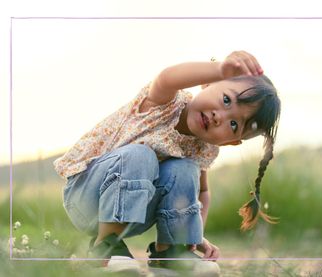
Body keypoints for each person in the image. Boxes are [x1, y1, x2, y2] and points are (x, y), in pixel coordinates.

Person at [54, 50, 281, 274]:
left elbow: (202, 193)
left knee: (184, 169)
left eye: (233, 125)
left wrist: (193, 233)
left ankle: (171, 252)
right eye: (225, 99)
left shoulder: (203, 149)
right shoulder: (166, 103)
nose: (219, 116)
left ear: (231, 142)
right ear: (207, 84)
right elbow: (166, 78)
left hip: (132, 217)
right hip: (86, 194)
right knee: (141, 155)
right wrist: (220, 69)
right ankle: (104, 246)